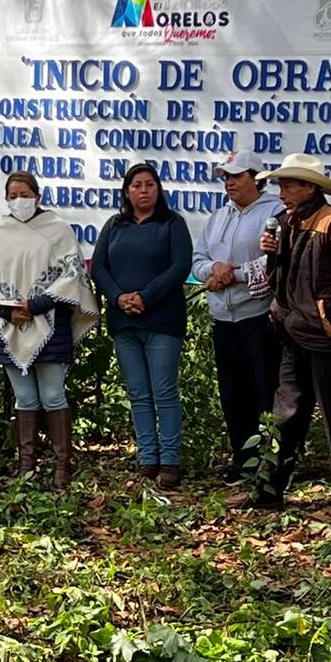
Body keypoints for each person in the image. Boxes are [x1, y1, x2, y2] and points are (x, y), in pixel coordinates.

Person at [256, 153, 331, 506]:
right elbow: (280, 273)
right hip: (295, 331)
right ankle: (267, 490)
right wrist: (271, 253)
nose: (282, 192)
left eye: (289, 184)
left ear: (310, 188)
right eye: (281, 184)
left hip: (328, 337)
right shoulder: (284, 221)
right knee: (286, 413)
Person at [0, 170, 99, 489]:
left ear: (38, 196)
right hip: (9, 326)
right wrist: (5, 309)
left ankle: (61, 466)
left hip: (51, 324)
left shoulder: (58, 230)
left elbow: (72, 275)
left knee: (53, 394)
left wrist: (36, 305)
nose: (18, 201)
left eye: (24, 194)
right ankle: (27, 465)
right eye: (12, 196)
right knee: (24, 397)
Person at [92, 162, 193, 488]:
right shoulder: (115, 225)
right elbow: (99, 268)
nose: (144, 190)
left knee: (164, 391)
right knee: (138, 392)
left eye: (150, 184)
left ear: (159, 190)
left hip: (163, 321)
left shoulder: (172, 224)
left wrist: (146, 297)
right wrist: (119, 297)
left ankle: (170, 461)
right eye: (137, 185)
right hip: (124, 322)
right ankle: (148, 458)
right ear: (126, 191)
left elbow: (180, 266)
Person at [192, 150, 286, 483]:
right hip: (223, 319)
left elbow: (276, 260)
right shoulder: (218, 216)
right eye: (225, 177)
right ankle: (242, 462)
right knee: (233, 393)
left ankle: (270, 463)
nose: (229, 183)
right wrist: (213, 269)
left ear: (257, 178)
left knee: (265, 391)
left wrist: (239, 274)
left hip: (259, 317)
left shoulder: (276, 212)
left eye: (236, 176)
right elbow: (198, 259)